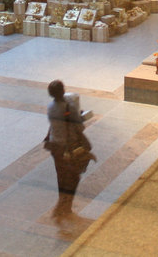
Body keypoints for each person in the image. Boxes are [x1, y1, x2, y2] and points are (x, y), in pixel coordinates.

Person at [44, 79, 95, 223]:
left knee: (61, 176)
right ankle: (65, 206)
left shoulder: (51, 106)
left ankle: (61, 202)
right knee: (74, 176)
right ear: (62, 90)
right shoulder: (68, 107)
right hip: (70, 147)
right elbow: (78, 128)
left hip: (55, 146)